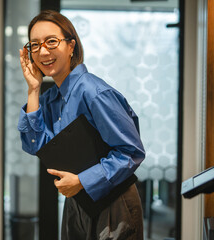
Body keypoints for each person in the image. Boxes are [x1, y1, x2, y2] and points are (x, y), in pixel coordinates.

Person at [17, 10, 145, 240]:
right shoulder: (49, 99)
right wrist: (33, 90)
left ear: (71, 46)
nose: (43, 51)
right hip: (78, 200)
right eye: (34, 45)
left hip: (113, 202)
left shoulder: (93, 91)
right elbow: (34, 145)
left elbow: (131, 152)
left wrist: (82, 181)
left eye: (51, 41)